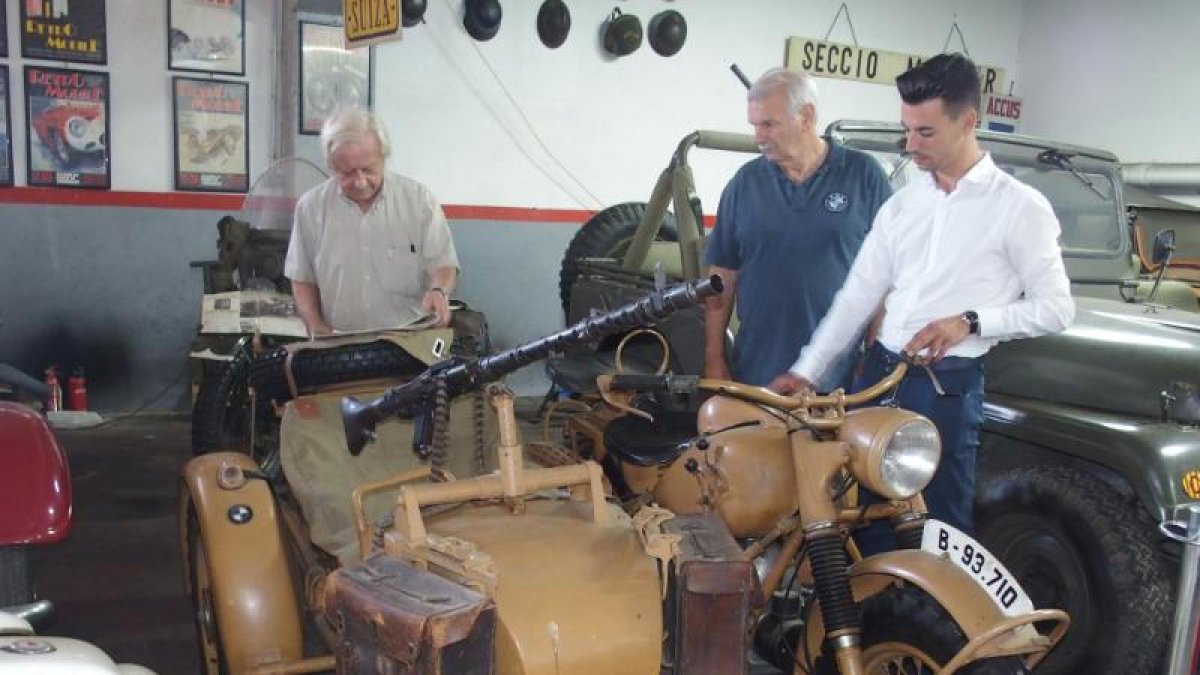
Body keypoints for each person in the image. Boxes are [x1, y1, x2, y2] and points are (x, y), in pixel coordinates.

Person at [769, 53, 1075, 544]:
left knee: (937, 526)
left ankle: (932, 620)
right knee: (864, 519)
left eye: (925, 133)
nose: (911, 145)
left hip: (943, 389)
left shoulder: (1020, 208)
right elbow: (856, 297)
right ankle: (869, 614)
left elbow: (1058, 307)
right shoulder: (903, 205)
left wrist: (971, 322)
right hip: (877, 379)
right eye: (906, 131)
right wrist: (808, 370)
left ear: (968, 121)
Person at [704, 67, 892, 389]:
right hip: (755, 376)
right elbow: (721, 276)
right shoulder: (745, 183)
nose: (758, 137)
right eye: (755, 125)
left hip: (838, 383)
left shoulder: (865, 177)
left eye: (769, 124)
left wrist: (877, 357)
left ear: (806, 116)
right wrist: (713, 357)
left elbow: (886, 275)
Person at [285, 107, 459, 336]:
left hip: (410, 339)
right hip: (338, 341)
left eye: (368, 170)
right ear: (331, 165)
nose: (360, 182)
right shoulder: (310, 208)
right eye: (347, 172)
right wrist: (315, 324)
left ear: (384, 158)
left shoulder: (418, 201)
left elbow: (443, 263)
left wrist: (438, 290)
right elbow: (302, 278)